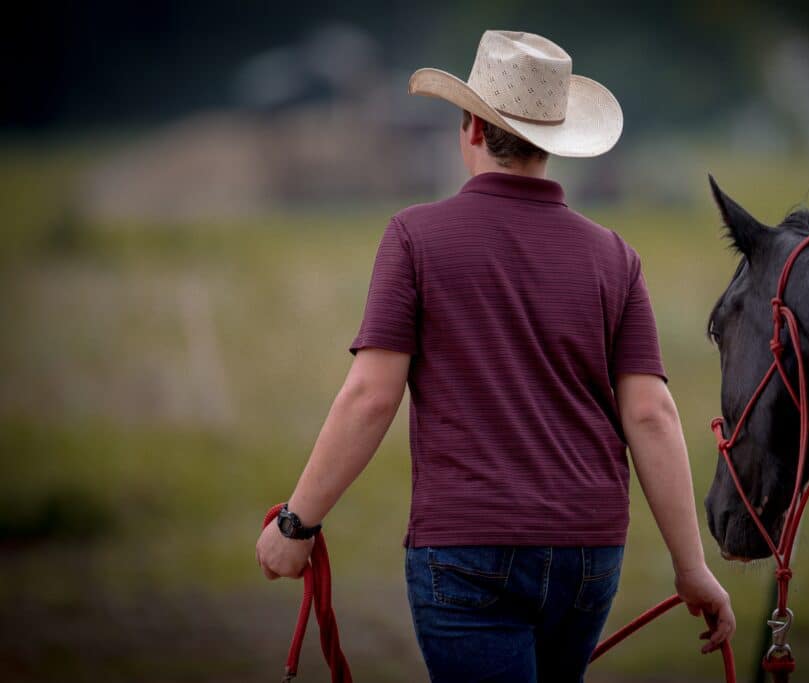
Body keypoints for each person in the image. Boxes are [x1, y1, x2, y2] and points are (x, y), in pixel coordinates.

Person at [256, 29, 735, 682]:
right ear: (553, 142)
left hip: (465, 549)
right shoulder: (613, 256)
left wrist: (296, 522)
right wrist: (691, 566)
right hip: (589, 554)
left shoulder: (415, 238)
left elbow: (370, 396)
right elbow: (651, 413)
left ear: (470, 128)